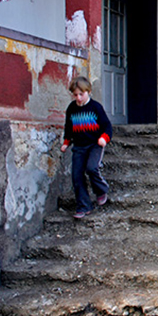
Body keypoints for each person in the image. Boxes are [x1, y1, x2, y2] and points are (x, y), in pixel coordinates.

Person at [60, 76, 112, 219]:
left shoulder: (96, 107)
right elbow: (68, 127)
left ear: (88, 91)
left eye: (81, 94)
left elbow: (107, 126)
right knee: (76, 175)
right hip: (79, 146)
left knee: (91, 168)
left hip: (95, 145)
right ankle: (84, 206)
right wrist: (66, 142)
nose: (78, 97)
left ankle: (101, 190)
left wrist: (104, 138)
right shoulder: (71, 108)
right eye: (75, 95)